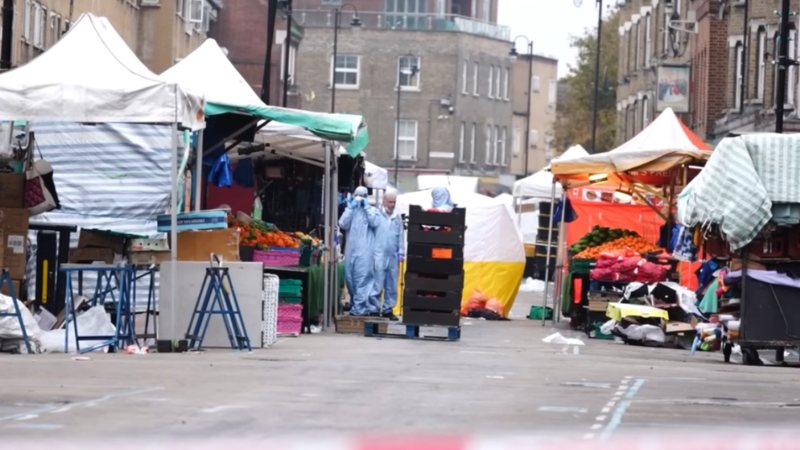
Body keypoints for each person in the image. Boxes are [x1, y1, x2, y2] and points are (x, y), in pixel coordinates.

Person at [339, 186, 380, 316]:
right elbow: (342, 224)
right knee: (350, 278)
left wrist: (367, 207)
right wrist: (350, 207)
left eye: (363, 195)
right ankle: (356, 304)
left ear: (367, 197)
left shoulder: (372, 210)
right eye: (358, 195)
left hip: (365, 251)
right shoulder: (351, 210)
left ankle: (359, 308)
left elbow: (375, 222)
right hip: (351, 250)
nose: (360, 197)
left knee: (362, 279)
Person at [370, 189, 404, 320]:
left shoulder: (397, 218)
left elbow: (400, 235)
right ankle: (374, 307)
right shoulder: (377, 215)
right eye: (390, 202)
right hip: (378, 254)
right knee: (377, 281)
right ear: (384, 202)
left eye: (394, 202)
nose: (392, 204)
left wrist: (401, 251)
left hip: (393, 255)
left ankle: (387, 309)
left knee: (391, 283)